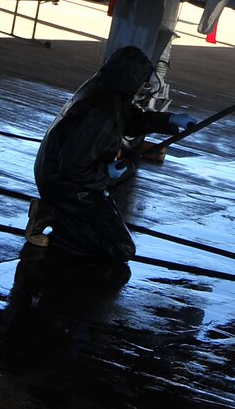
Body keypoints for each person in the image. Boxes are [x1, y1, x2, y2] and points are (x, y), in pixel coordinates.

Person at [30, 47, 186, 266]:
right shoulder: (99, 112)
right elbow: (73, 167)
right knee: (121, 248)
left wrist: (170, 121)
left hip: (63, 174)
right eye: (142, 81)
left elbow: (131, 120)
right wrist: (106, 173)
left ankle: (60, 213)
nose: (144, 87)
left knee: (109, 221)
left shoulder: (106, 91)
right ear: (129, 78)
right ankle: (54, 215)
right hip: (66, 185)